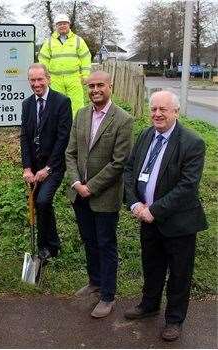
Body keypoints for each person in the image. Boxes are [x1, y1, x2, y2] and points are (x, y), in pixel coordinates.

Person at [123, 90, 208, 341]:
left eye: (163, 110)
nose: (157, 114)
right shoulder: (146, 134)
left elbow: (187, 186)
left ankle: (174, 320)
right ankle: (149, 305)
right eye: (153, 109)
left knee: (180, 273)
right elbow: (130, 170)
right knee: (152, 266)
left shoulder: (192, 142)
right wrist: (135, 204)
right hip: (146, 217)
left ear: (176, 112)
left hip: (178, 222)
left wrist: (154, 210)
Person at [65, 70, 134, 318]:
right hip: (78, 194)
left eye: (100, 85)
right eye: (91, 85)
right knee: (89, 241)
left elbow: (119, 163)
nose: (95, 90)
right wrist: (75, 182)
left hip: (103, 197)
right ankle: (95, 281)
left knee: (106, 245)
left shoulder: (123, 119)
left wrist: (90, 187)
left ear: (110, 86)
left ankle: (107, 295)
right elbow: (70, 153)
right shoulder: (81, 115)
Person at [20, 63, 72, 262]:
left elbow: (63, 139)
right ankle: (54, 245)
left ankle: (43, 249)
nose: (36, 84)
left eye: (40, 79)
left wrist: (48, 168)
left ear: (48, 79)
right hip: (33, 167)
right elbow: (24, 137)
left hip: (54, 165)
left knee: (42, 201)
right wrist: (26, 167)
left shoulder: (62, 102)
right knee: (40, 204)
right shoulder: (27, 104)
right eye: (32, 80)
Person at [38, 14, 91, 117]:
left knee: (77, 105)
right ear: (56, 26)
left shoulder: (78, 40)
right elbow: (43, 60)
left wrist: (85, 75)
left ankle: (76, 127)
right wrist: (45, 77)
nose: (62, 26)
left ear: (69, 25)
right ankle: (58, 127)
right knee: (56, 104)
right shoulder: (49, 42)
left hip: (74, 78)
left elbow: (85, 57)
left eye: (64, 24)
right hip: (55, 79)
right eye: (59, 24)